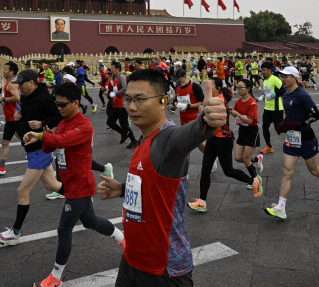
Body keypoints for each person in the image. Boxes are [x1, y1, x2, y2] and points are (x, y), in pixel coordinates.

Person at [96, 70, 227, 286]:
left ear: (163, 101)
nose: (131, 107)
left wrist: (207, 121)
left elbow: (192, 133)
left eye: (140, 99)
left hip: (164, 269)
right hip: (132, 259)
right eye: (127, 99)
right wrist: (122, 188)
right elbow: (151, 186)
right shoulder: (145, 138)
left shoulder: (168, 139)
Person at [23, 82, 125, 287]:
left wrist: (44, 135)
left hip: (79, 185)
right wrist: (41, 136)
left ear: (76, 102)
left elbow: (62, 141)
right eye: (57, 104)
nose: (58, 108)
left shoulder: (84, 125)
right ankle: (123, 238)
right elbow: (53, 143)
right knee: (91, 222)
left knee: (64, 228)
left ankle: (56, 277)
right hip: (71, 185)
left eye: (62, 104)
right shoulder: (63, 122)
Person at [0, 69, 63, 245]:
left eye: (22, 84)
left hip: (41, 148)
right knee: (52, 185)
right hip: (32, 149)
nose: (19, 88)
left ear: (32, 83)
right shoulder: (25, 97)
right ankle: (83, 198)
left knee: (22, 191)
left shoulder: (45, 97)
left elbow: (58, 117)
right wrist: (21, 117)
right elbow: (27, 116)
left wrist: (42, 123)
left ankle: (14, 234)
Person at [264, 67, 319, 219]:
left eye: (286, 77)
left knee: (314, 170)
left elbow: (316, 115)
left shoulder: (302, 94)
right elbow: (291, 115)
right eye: (282, 77)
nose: (283, 79)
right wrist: (284, 124)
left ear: (295, 78)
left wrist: (299, 123)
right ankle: (281, 206)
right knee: (287, 172)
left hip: (306, 138)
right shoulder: (285, 94)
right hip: (292, 139)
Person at [187, 76, 262, 213]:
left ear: (218, 88)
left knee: (228, 171)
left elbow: (209, 115)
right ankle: (202, 202)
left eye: (209, 86)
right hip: (212, 139)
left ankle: (253, 182)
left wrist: (202, 111)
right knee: (205, 170)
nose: (207, 89)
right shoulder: (213, 100)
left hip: (223, 140)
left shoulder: (220, 100)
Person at [0, 61, 21, 175]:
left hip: (14, 118)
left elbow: (17, 97)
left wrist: (2, 99)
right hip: (11, 118)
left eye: (5, 69)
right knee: (21, 140)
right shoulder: (11, 82)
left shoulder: (12, 83)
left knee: (6, 142)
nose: (3, 71)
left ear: (11, 72)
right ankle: (1, 166)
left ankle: (43, 153)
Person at [105, 62, 137, 149]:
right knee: (110, 122)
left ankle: (134, 140)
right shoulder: (115, 77)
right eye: (111, 69)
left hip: (122, 105)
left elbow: (125, 88)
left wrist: (115, 94)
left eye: (113, 69)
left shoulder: (121, 77)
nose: (112, 71)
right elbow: (115, 88)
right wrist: (110, 93)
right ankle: (123, 133)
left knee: (124, 125)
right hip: (116, 104)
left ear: (118, 69)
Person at [258, 62, 285, 154]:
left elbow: (284, 90)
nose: (263, 72)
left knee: (280, 129)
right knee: (264, 127)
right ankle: (268, 146)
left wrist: (274, 95)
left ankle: (296, 138)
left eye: (264, 70)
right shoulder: (265, 80)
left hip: (276, 109)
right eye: (262, 70)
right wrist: (263, 96)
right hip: (267, 108)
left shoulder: (275, 79)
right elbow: (267, 93)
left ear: (270, 70)